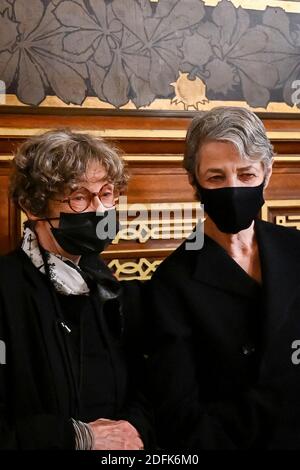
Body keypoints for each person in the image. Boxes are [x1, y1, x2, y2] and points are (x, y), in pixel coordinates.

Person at [146, 106, 300, 450]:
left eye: (246, 175)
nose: (232, 189)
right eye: (216, 177)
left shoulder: (295, 249)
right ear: (193, 181)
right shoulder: (171, 283)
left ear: (268, 173)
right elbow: (180, 417)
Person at [0, 129, 153, 450]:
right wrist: (78, 438)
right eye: (79, 196)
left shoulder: (109, 283)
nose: (100, 210)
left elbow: (148, 381)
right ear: (34, 205)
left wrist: (134, 428)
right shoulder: (6, 288)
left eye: (107, 193)